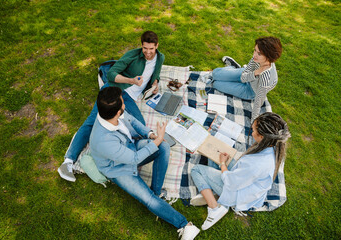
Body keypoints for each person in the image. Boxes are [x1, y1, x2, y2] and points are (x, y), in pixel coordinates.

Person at [89, 87, 200, 240]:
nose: (124, 104)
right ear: (116, 112)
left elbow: (132, 121)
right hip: (118, 168)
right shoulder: (104, 141)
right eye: (122, 103)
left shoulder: (110, 114)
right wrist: (158, 140)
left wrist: (151, 135)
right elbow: (134, 159)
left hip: (129, 147)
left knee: (164, 147)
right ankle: (185, 225)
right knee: (148, 200)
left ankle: (156, 192)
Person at [58, 31, 165, 182]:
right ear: (141, 46)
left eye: (151, 49)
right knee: (92, 121)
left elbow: (156, 74)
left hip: (130, 100)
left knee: (139, 127)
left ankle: (120, 155)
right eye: (144, 48)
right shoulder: (132, 55)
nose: (147, 52)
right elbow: (112, 74)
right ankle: (68, 162)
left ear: (157, 46)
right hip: (116, 92)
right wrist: (131, 80)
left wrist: (155, 84)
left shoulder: (160, 58)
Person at [190, 112, 291, 230]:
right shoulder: (273, 146)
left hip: (237, 193)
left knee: (196, 170)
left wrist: (223, 163)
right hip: (245, 184)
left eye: (253, 130)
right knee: (216, 155)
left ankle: (215, 208)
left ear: (262, 136)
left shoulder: (256, 165)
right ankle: (215, 193)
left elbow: (231, 182)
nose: (251, 132)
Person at [212, 37, 282, 122]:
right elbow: (243, 77)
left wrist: (254, 121)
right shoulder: (256, 59)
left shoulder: (266, 78)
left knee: (216, 84)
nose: (254, 55)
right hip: (248, 75)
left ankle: (234, 68)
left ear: (268, 57)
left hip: (250, 90)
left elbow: (258, 101)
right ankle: (235, 67)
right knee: (215, 74)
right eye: (255, 50)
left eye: (259, 53)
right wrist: (255, 72)